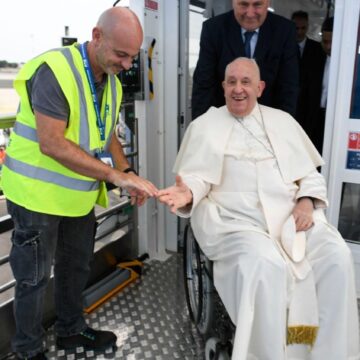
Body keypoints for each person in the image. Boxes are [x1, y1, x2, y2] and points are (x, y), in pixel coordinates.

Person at [158, 58, 359, 359]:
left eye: (246, 82)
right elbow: (198, 177)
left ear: (260, 87)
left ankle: (328, 353)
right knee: (268, 265)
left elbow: (309, 174)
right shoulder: (205, 126)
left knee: (337, 256)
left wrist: (306, 201)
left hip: (290, 215)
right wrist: (187, 193)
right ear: (223, 86)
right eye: (232, 82)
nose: (238, 89)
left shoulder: (283, 121)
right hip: (236, 220)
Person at [2, 7, 158, 360]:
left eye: (132, 56)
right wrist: (112, 176)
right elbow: (51, 143)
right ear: (97, 36)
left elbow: (107, 135)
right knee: (32, 279)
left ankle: (71, 331)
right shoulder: (56, 71)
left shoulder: (112, 82)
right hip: (36, 196)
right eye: (121, 54)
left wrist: (127, 172)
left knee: (75, 268)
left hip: (76, 199)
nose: (127, 64)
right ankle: (27, 350)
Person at [191, 0, 299, 120]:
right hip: (223, 120)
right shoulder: (213, 29)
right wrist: (201, 128)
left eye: (257, 5)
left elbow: (288, 87)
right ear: (233, 2)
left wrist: (281, 129)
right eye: (243, 4)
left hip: (268, 121)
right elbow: (203, 84)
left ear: (268, 3)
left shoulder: (284, 30)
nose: (250, 14)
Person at [296, 17, 333, 154]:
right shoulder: (314, 59)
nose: (328, 47)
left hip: (334, 118)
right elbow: (304, 93)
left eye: (332, 42)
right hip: (314, 118)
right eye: (325, 42)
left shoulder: (350, 65)